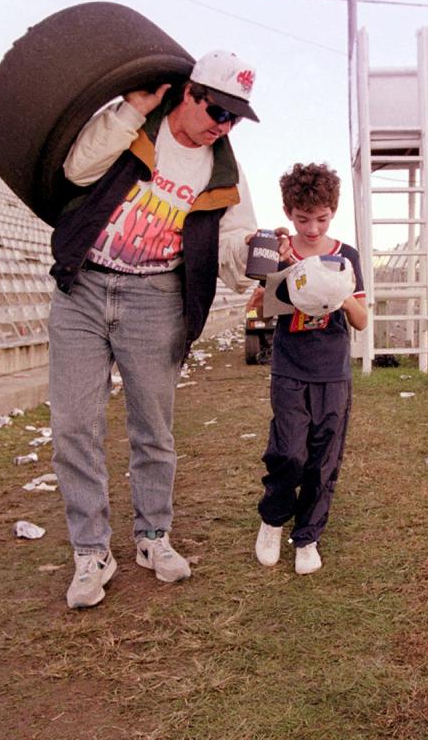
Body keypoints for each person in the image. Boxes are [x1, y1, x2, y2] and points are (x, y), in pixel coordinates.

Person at [50, 50, 262, 608]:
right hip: (84, 288)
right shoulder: (136, 123)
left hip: (157, 298)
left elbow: (236, 249)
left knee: (153, 428)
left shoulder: (225, 170)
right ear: (189, 94)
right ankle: (91, 550)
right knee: (74, 423)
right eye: (218, 110)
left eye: (235, 117)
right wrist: (129, 110)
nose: (224, 124)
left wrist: (261, 254)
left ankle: (152, 537)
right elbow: (77, 170)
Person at [249, 163, 367, 575]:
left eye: (321, 218)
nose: (313, 228)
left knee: (323, 458)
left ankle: (308, 535)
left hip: (332, 371)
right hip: (290, 367)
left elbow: (362, 320)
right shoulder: (281, 250)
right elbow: (263, 310)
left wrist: (340, 294)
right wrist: (280, 271)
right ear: (289, 213)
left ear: (332, 211)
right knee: (288, 452)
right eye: (303, 219)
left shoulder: (345, 256)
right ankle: (272, 519)